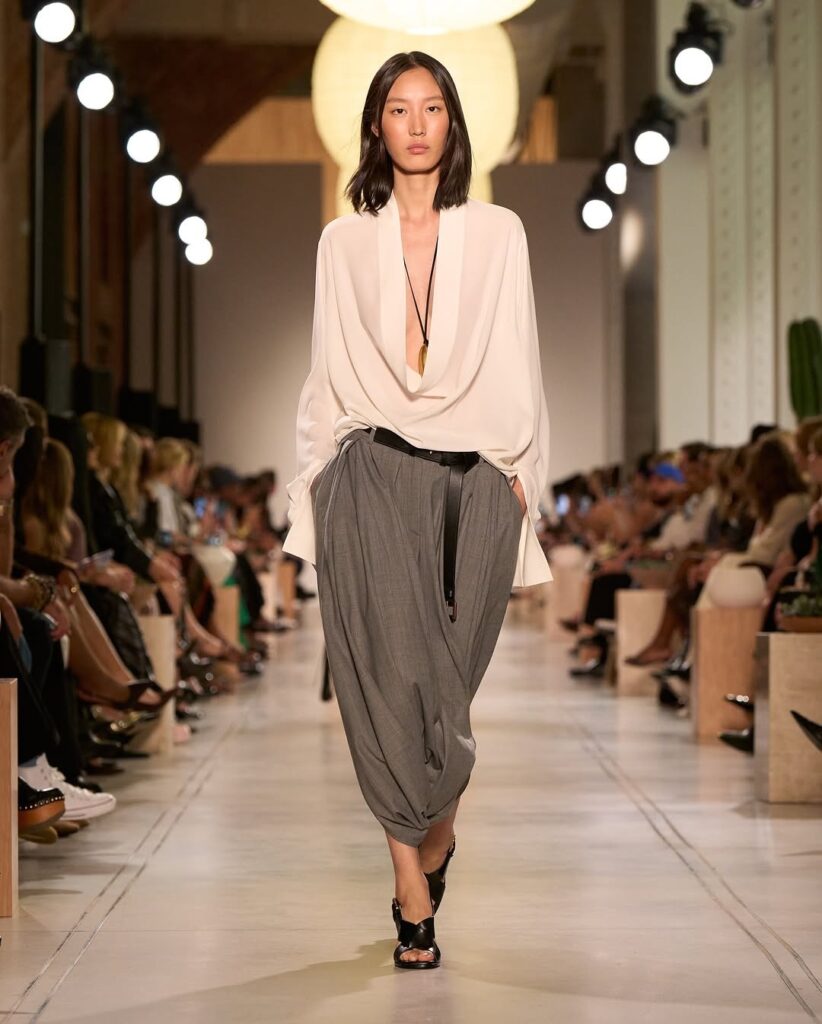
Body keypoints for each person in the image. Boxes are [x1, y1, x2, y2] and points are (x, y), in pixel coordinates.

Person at [281, 51, 551, 969]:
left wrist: (525, 474)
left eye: (432, 107)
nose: (418, 124)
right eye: (400, 108)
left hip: (479, 480)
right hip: (371, 474)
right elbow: (324, 370)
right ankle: (410, 885)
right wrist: (316, 481)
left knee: (450, 689)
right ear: (376, 124)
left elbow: (522, 356)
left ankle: (437, 831)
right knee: (385, 686)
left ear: (453, 121)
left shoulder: (501, 232)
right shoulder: (342, 241)